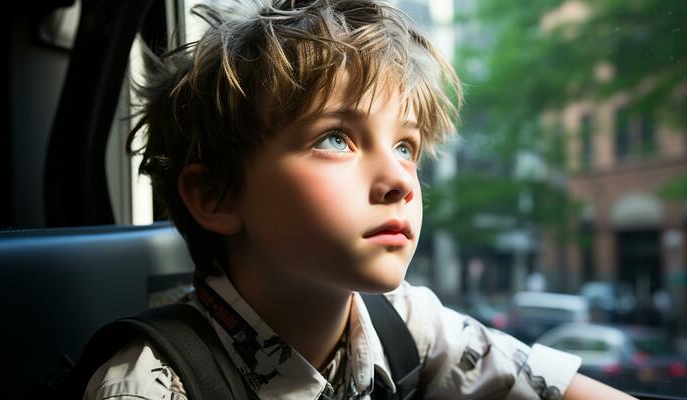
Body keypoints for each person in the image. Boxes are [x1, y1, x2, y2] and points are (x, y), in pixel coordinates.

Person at [84, 0, 635, 398]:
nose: (400, 179)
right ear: (217, 195)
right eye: (335, 139)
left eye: (406, 146)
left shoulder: (402, 323)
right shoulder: (151, 385)